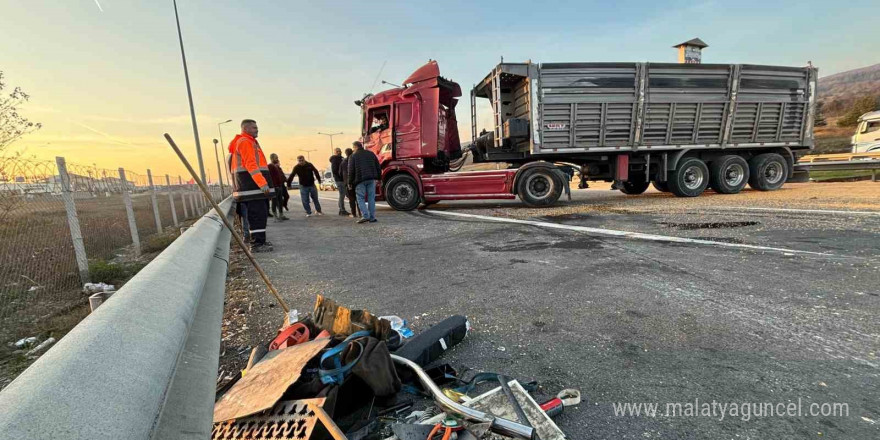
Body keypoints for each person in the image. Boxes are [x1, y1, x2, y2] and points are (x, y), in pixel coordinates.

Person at [230, 119, 274, 252]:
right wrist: (263, 184)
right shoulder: (245, 142)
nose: (257, 130)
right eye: (254, 128)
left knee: (258, 216)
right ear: (246, 129)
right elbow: (251, 165)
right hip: (252, 188)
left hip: (250, 188)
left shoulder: (248, 142)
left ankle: (260, 241)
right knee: (257, 216)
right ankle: (257, 244)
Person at [347, 141, 381, 224]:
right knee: (371, 198)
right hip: (371, 179)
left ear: (355, 147)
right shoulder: (371, 154)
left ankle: (365, 216)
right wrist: (379, 178)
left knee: (360, 198)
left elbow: (351, 171)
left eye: (353, 148)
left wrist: (349, 182)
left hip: (360, 180)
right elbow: (378, 166)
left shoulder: (353, 156)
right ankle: (372, 218)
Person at [267, 153, 289, 221]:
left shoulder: (277, 166)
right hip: (274, 187)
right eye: (276, 158)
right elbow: (269, 177)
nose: (277, 159)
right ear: (272, 159)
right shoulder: (270, 166)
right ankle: (275, 217)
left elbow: (280, 176)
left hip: (279, 186)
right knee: (274, 201)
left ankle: (281, 215)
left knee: (280, 201)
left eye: (277, 158)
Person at [339, 148, 360, 218]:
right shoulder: (356, 160)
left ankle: (354, 214)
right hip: (356, 182)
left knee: (351, 199)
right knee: (358, 198)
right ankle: (360, 213)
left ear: (345, 153)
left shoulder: (343, 162)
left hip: (347, 183)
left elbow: (340, 173)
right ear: (352, 152)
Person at [329, 148, 349, 216]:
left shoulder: (342, 158)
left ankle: (342, 210)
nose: (338, 152)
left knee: (343, 195)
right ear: (334, 152)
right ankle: (342, 210)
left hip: (343, 179)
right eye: (337, 151)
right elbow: (334, 171)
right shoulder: (334, 159)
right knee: (342, 195)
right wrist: (341, 176)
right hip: (339, 180)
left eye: (339, 151)